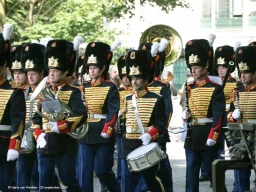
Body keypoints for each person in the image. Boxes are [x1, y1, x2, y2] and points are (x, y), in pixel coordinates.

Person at [31, 39, 87, 191]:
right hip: (44, 144)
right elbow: (35, 116)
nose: (52, 73)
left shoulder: (73, 92)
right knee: (44, 183)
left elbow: (81, 115)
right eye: (50, 71)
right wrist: (38, 134)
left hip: (64, 144)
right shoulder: (43, 91)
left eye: (55, 71)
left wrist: (61, 125)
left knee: (69, 181)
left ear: (64, 72)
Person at [182, 39, 226, 192]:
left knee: (216, 178)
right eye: (192, 67)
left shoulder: (215, 88)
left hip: (208, 137)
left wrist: (213, 136)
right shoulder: (189, 86)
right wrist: (185, 115)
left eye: (196, 67)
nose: (193, 71)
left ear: (205, 67)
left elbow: (219, 115)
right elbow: (188, 108)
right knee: (191, 178)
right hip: (192, 137)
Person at [121, 49, 167, 192]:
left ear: (146, 79)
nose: (134, 81)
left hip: (146, 145)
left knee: (151, 180)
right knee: (127, 182)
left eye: (138, 78)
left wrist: (150, 134)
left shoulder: (156, 99)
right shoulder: (127, 99)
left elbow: (161, 124)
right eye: (132, 78)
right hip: (128, 144)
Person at [77, 41, 121, 192]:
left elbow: (113, 111)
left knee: (102, 170)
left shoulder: (110, 87)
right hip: (85, 132)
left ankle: (115, 188)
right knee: (84, 171)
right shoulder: (84, 87)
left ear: (102, 68)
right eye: (90, 68)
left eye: (95, 68)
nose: (92, 71)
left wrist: (108, 129)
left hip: (102, 132)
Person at [141, 39, 173, 192]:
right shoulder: (135, 86)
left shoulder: (162, 87)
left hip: (156, 134)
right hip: (138, 134)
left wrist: (158, 131)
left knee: (161, 168)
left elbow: (167, 111)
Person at [15, 43, 46, 191]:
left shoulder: (47, 91)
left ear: (41, 74)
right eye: (28, 73)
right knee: (22, 174)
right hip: (25, 136)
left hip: (42, 135)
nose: (30, 76)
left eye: (34, 73)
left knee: (40, 174)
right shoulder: (22, 91)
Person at [0, 24, 26, 192]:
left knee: (5, 185)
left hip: (3, 145)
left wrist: (13, 146)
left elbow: (18, 121)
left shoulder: (13, 91)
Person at [227, 45, 256, 192]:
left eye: (246, 72)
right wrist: (232, 115)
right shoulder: (237, 89)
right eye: (241, 72)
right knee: (240, 176)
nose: (242, 76)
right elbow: (229, 114)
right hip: (241, 138)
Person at [116, 54, 133, 185]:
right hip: (120, 125)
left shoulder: (136, 91)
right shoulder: (117, 91)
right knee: (121, 153)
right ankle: (120, 178)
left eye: (128, 76)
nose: (126, 79)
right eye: (123, 76)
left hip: (133, 124)